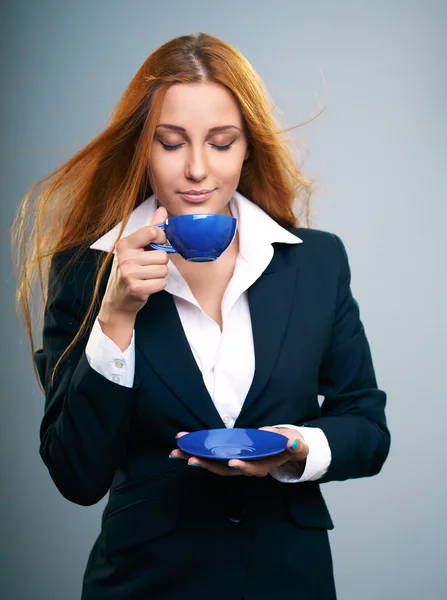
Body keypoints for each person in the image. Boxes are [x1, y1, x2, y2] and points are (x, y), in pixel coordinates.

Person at [12, 32, 390, 600]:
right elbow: (76, 476)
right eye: (170, 142)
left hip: (289, 581)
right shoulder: (87, 273)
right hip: (146, 585)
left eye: (220, 142)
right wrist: (115, 316)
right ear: (144, 148)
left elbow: (367, 429)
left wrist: (293, 447)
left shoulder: (316, 263)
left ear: (246, 148)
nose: (196, 168)